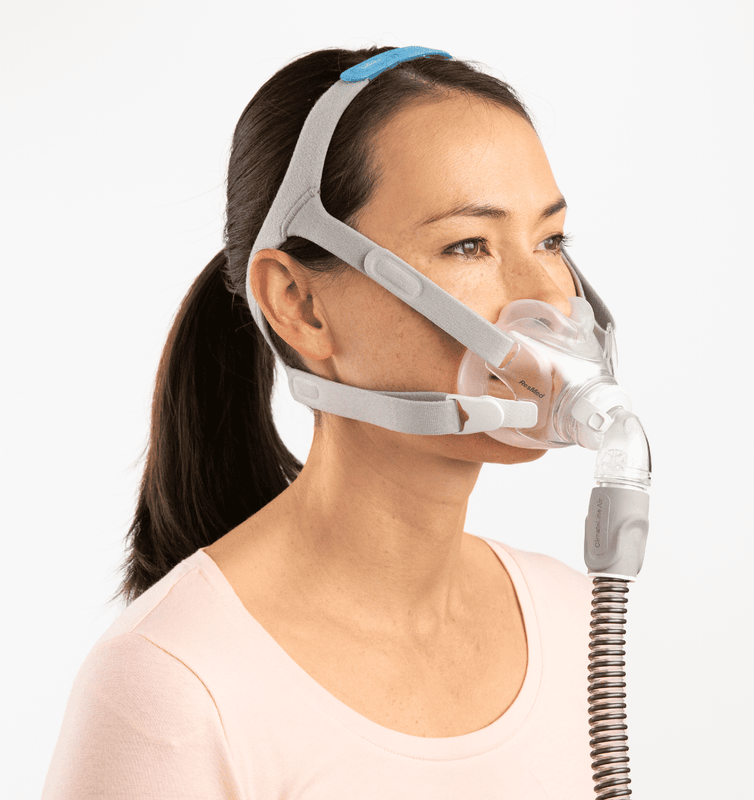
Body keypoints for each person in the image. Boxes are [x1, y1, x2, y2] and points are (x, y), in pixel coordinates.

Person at [43, 45, 598, 798]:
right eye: (468, 245)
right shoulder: (174, 682)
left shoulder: (575, 621)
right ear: (299, 304)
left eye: (551, 240)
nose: (552, 300)